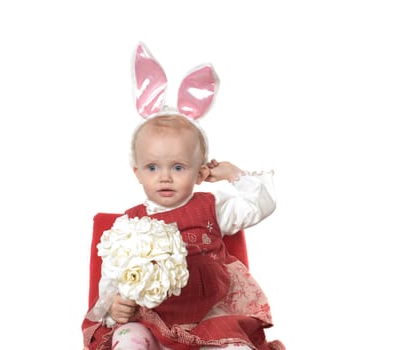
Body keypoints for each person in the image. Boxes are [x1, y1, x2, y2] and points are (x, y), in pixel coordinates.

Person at [82, 43, 285, 350]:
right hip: (152, 319)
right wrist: (114, 305)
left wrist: (233, 174)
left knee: (235, 346)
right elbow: (112, 275)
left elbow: (261, 205)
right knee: (129, 341)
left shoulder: (213, 207)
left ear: (199, 171)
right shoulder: (129, 225)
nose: (165, 176)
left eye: (178, 167)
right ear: (137, 172)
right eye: (152, 167)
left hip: (209, 317)